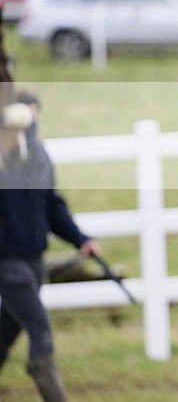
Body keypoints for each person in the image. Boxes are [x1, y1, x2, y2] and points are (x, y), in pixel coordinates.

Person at [0, 90, 101, 402]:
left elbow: (51, 205)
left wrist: (81, 239)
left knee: (7, 329)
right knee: (38, 325)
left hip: (33, 257)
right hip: (5, 259)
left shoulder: (39, 156)